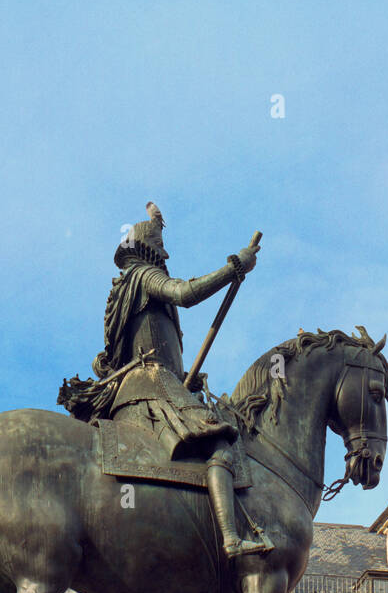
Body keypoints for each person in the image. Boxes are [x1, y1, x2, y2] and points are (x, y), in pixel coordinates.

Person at [59, 201, 271, 560]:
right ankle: (232, 539)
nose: (164, 261)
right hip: (151, 386)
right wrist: (235, 267)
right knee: (219, 445)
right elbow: (185, 294)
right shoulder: (143, 277)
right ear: (149, 252)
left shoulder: (124, 289)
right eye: (161, 253)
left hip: (141, 387)